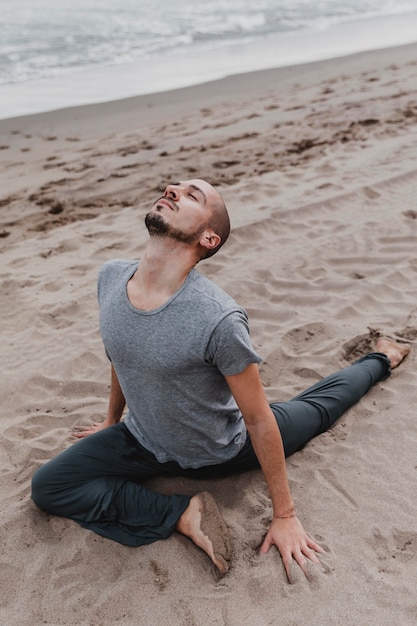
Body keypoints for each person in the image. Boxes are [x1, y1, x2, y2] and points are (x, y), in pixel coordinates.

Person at [31, 178, 410, 581]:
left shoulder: (218, 319)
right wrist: (111, 421)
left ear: (208, 239)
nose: (173, 192)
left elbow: (260, 419)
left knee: (320, 408)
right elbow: (121, 356)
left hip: (221, 449)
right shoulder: (110, 278)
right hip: (141, 440)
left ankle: (382, 356)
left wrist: (285, 515)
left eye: (192, 196)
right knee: (49, 487)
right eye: (173, 188)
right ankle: (182, 514)